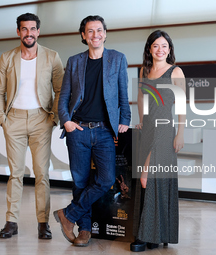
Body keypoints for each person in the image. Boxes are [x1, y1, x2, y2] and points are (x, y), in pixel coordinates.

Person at [54, 15, 131, 247]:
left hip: (104, 131)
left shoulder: (117, 59)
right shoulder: (75, 61)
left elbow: (122, 93)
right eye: (90, 31)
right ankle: (84, 230)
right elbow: (64, 96)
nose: (95, 35)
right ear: (83, 35)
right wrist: (66, 121)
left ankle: (68, 214)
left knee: (106, 178)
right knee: (80, 181)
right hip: (77, 129)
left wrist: (125, 118)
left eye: (99, 30)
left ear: (105, 33)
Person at [0, 12, 64, 239]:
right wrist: (2, 119)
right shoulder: (7, 58)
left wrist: (54, 117)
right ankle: (11, 222)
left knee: (42, 173)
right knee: (15, 174)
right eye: (24, 29)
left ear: (38, 31)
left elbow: (61, 89)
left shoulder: (52, 57)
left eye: (33, 29)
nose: (29, 33)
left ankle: (43, 223)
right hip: (13, 120)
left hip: (41, 120)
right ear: (18, 32)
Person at [131, 30, 186, 252]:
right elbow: (141, 97)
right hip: (148, 130)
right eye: (156, 46)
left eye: (164, 46)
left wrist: (181, 132)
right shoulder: (145, 70)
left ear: (169, 49)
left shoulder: (176, 71)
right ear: (149, 49)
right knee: (149, 182)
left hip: (165, 129)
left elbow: (182, 105)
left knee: (148, 177)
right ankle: (153, 234)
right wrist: (141, 120)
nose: (160, 50)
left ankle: (146, 235)